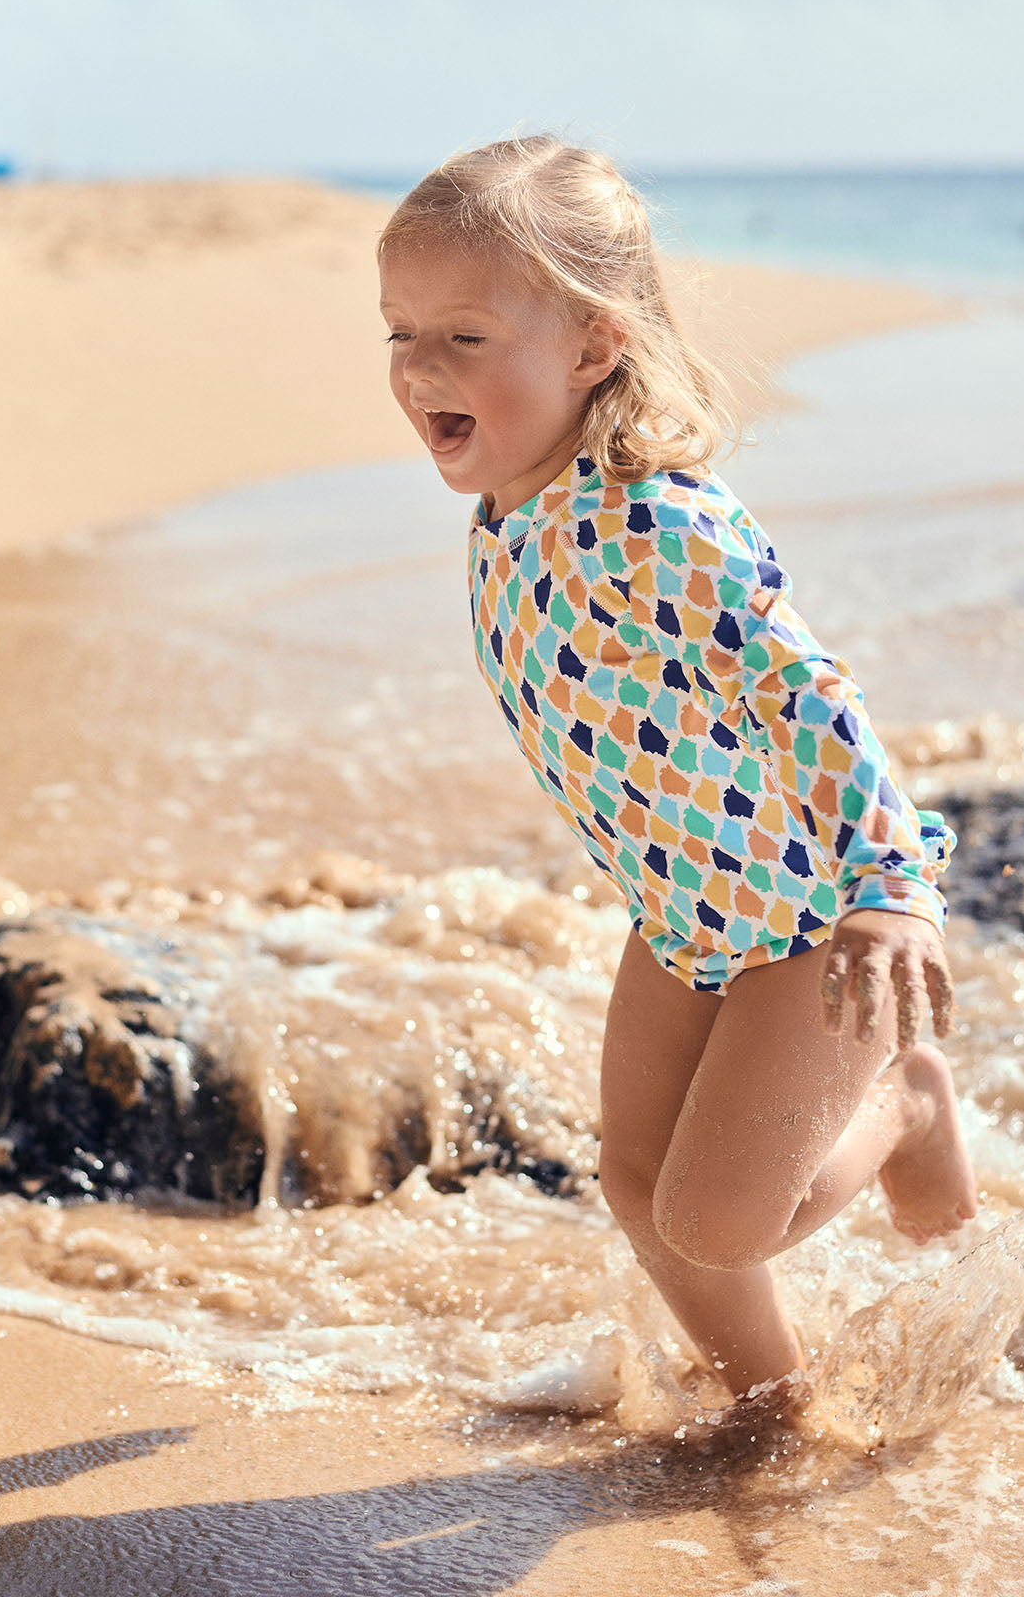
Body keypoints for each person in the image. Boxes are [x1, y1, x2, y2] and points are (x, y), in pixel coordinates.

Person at [377, 136, 978, 1405]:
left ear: (593, 347)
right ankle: (779, 1398)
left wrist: (888, 881)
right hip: (680, 907)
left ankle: (909, 1106)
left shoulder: (656, 517)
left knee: (715, 1220)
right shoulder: (508, 514)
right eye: (399, 334)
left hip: (807, 919)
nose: (420, 367)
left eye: (465, 337)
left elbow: (804, 688)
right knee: (637, 1184)